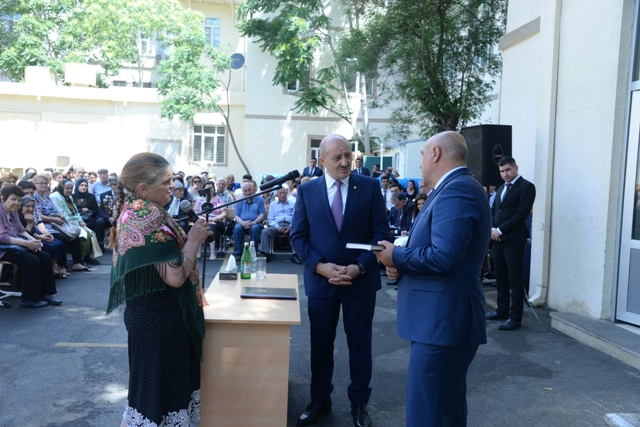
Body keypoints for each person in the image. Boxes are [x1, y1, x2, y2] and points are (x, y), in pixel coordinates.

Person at [374, 131, 491, 427]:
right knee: (444, 413)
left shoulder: (457, 190)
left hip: (442, 323)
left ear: (436, 153)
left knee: (427, 417)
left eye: (423, 154)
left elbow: (445, 256)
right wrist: (399, 263)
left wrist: (396, 257)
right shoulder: (455, 188)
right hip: (441, 323)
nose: (421, 163)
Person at [290, 134, 390, 427]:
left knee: (360, 345)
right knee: (321, 345)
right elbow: (298, 237)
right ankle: (320, 398)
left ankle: (359, 403)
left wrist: (360, 267)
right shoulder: (307, 192)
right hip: (322, 283)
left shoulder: (370, 187)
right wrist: (320, 267)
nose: (345, 162)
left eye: (348, 155)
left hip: (360, 281)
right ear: (322, 161)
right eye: (337, 157)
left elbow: (381, 234)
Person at [106, 152, 212, 427]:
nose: (172, 185)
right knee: (154, 403)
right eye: (166, 182)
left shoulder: (138, 209)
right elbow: (175, 276)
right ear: (144, 188)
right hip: (159, 323)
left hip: (153, 318)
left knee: (146, 401)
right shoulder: (146, 215)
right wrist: (194, 241)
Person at [486, 156, 536, 331]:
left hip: (514, 241)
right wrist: (493, 229)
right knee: (500, 277)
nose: (505, 174)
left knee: (515, 280)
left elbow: (521, 214)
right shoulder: (501, 188)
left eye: (508, 170)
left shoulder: (527, 187)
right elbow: (495, 211)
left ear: (516, 168)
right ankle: (502, 310)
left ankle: (515, 318)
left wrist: (500, 230)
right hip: (497, 240)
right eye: (502, 171)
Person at [0, 185, 60, 308]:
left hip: (12, 245)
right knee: (31, 260)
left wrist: (34, 240)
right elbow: (3, 237)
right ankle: (29, 299)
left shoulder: (13, 211)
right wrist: (28, 244)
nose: (17, 203)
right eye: (13, 199)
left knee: (44, 256)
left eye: (19, 200)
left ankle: (45, 294)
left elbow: (21, 230)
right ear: (2, 198)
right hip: (3, 248)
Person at [33, 175, 86, 273]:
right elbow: (38, 216)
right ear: (34, 184)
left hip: (55, 223)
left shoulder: (47, 196)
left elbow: (55, 210)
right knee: (62, 238)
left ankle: (77, 263)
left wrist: (60, 216)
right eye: (41, 183)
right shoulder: (34, 197)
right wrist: (54, 219)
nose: (44, 185)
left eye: (46, 183)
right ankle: (61, 266)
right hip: (44, 225)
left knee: (74, 234)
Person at [51, 179, 99, 267]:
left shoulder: (69, 197)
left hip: (73, 222)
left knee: (89, 232)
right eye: (67, 188)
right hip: (62, 224)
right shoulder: (55, 196)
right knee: (81, 234)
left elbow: (75, 212)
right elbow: (61, 214)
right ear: (62, 187)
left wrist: (80, 221)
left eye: (71, 188)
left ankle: (83, 259)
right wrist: (75, 224)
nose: (69, 190)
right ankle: (79, 261)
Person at [259, 187, 299, 263]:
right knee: (265, 232)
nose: (282, 195)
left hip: (290, 225)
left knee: (296, 232)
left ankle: (295, 255)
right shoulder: (273, 204)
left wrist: (291, 226)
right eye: (280, 193)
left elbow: (296, 218)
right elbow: (270, 219)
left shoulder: (293, 204)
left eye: (284, 193)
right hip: (277, 225)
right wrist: (278, 227)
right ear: (276, 195)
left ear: (286, 193)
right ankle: (265, 254)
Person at [72, 178, 108, 251]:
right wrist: (80, 210)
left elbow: (96, 210)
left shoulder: (91, 196)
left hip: (89, 218)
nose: (84, 187)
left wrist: (89, 210)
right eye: (81, 185)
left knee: (98, 223)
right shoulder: (72, 197)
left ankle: (99, 245)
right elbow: (71, 210)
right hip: (77, 219)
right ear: (77, 186)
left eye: (85, 185)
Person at [233, 182, 265, 260]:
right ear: (243, 191)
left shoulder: (260, 200)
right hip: (242, 223)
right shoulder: (240, 200)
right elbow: (236, 216)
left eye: (249, 190)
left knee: (255, 228)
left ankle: (253, 253)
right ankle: (238, 252)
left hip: (256, 223)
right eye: (245, 191)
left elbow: (262, 214)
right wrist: (243, 223)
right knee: (237, 228)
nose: (248, 192)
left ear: (253, 189)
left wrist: (253, 222)